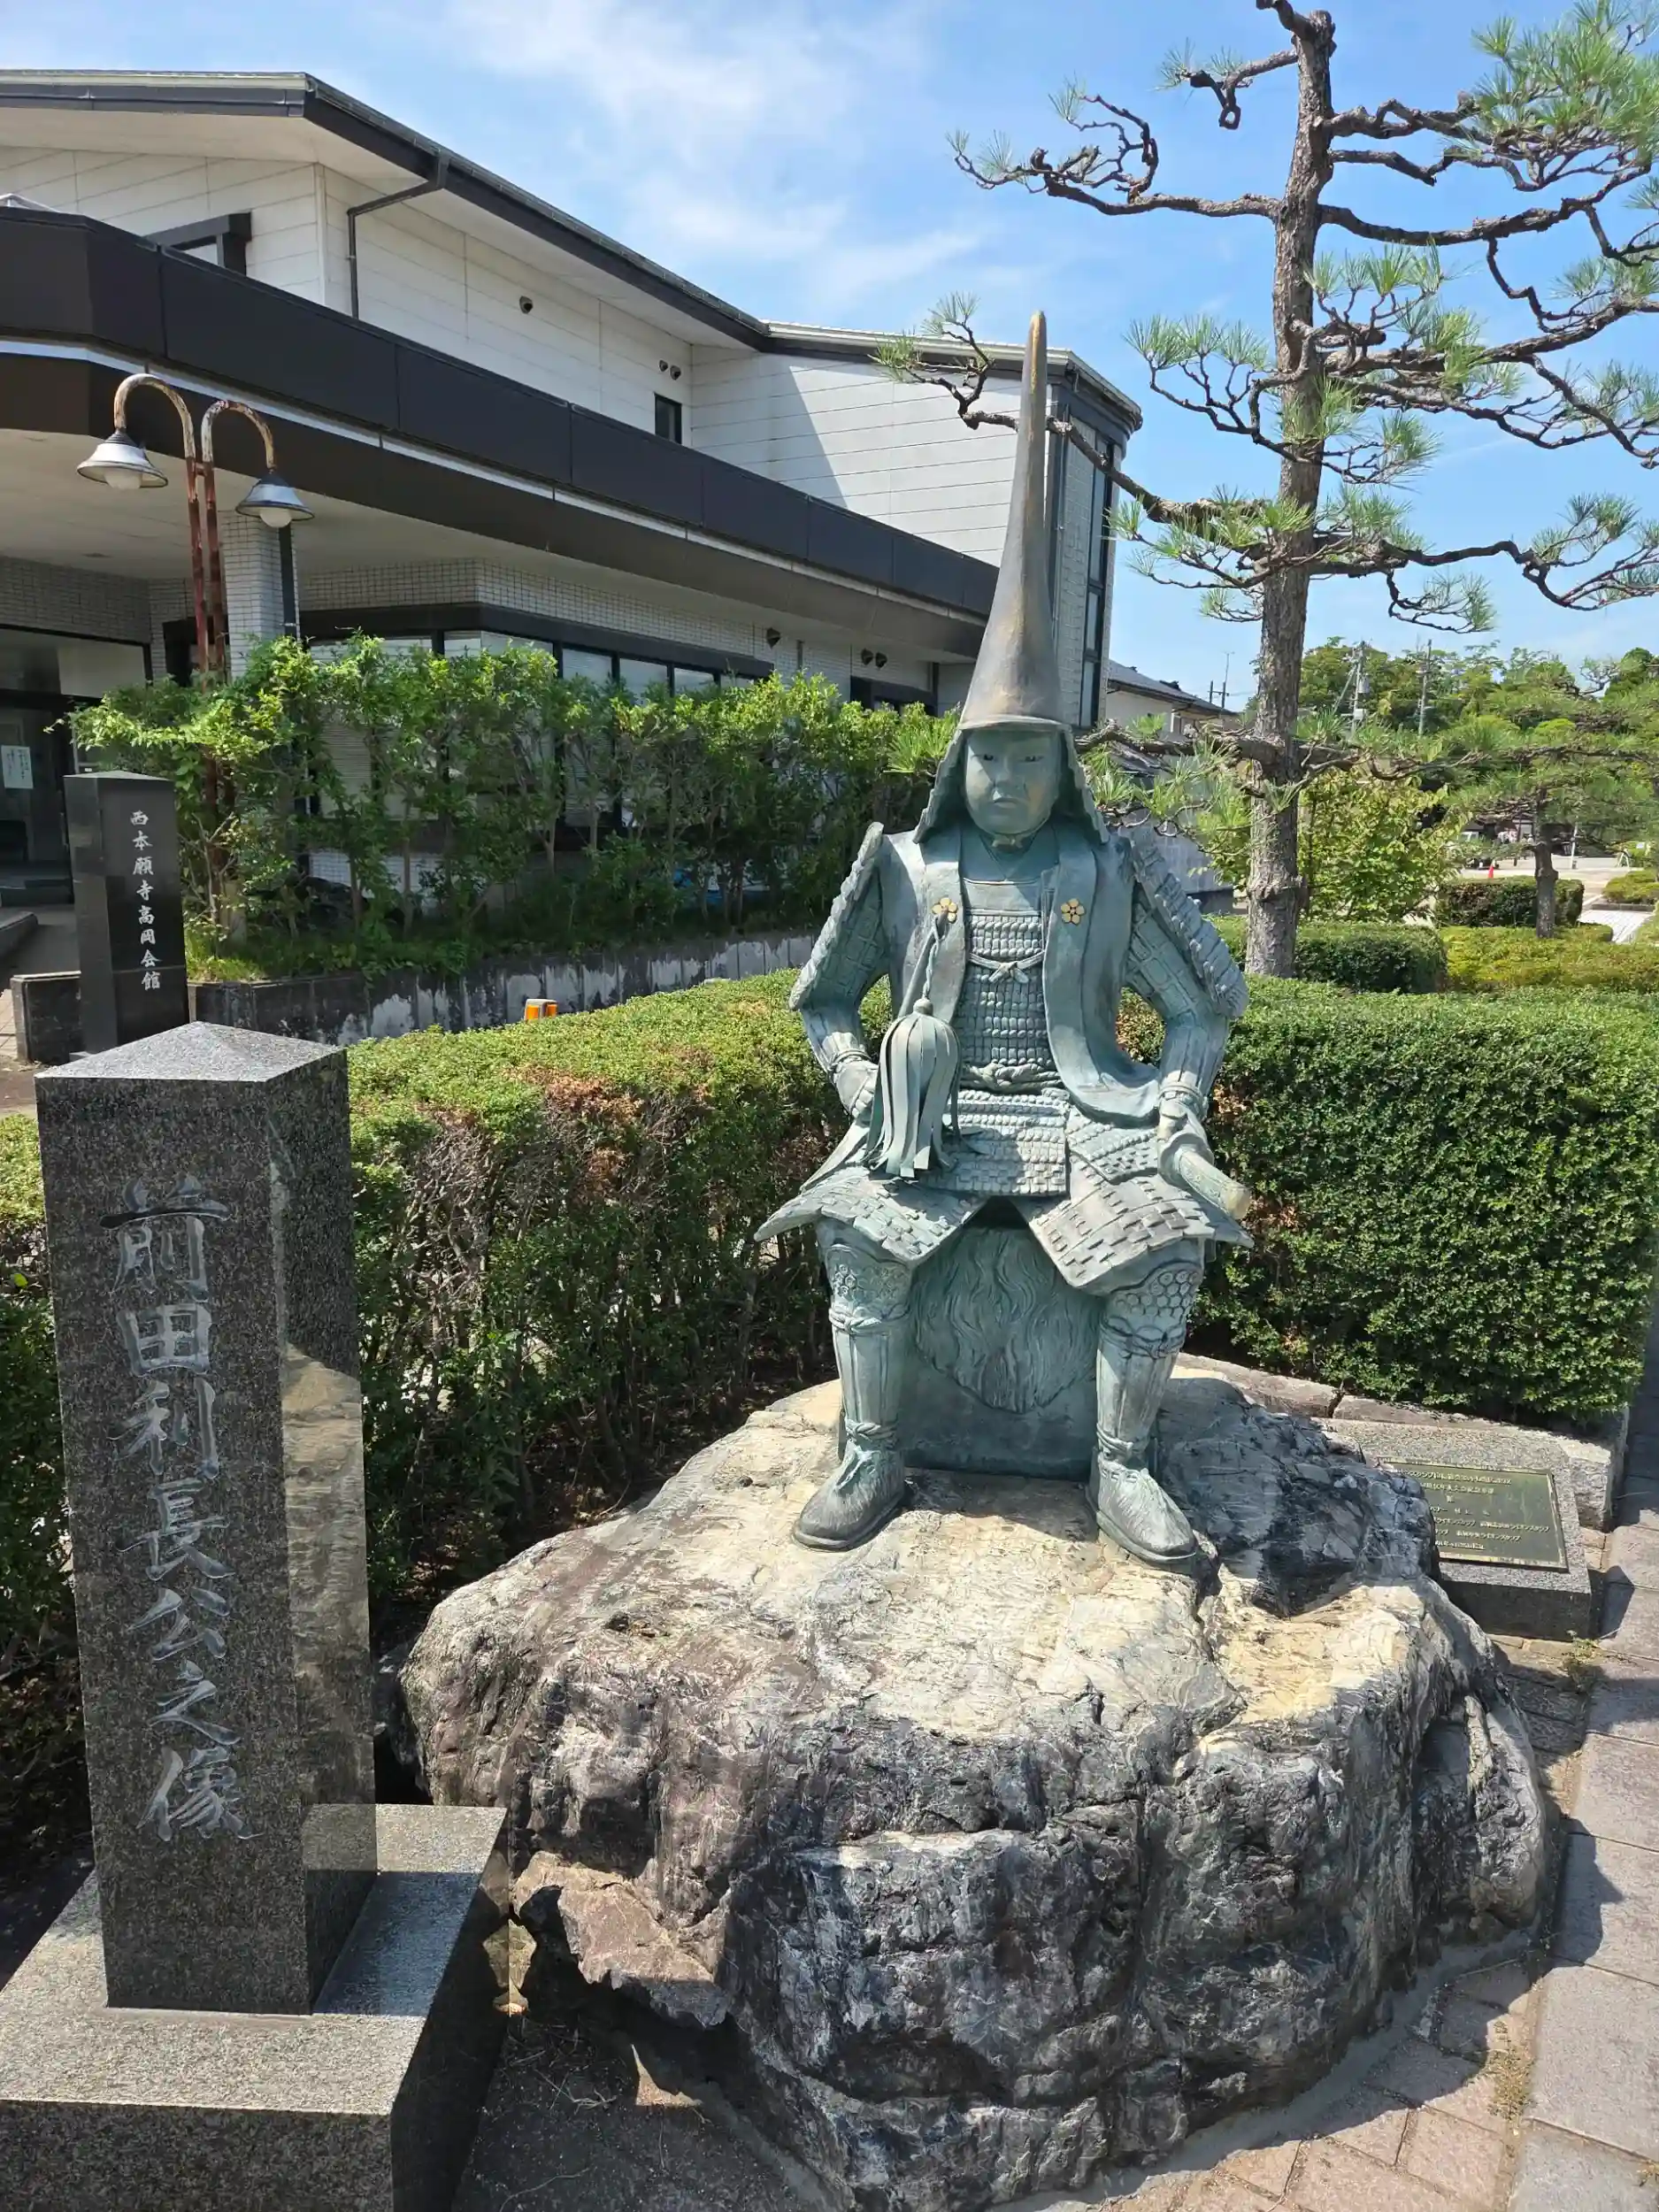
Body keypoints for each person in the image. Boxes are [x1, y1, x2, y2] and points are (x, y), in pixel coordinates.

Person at [757, 314, 1248, 1570]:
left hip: (1087, 1118)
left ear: (1062, 768)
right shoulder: (904, 866)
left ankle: (1119, 1465)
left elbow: (1203, 1002)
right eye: (991, 759)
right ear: (958, 763)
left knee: (1161, 1253)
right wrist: (864, 1085)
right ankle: (871, 1452)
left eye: (1031, 760)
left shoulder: (1107, 869)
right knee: (856, 1239)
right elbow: (822, 1003)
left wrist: (1176, 1100)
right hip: (930, 1122)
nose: (1009, 782)